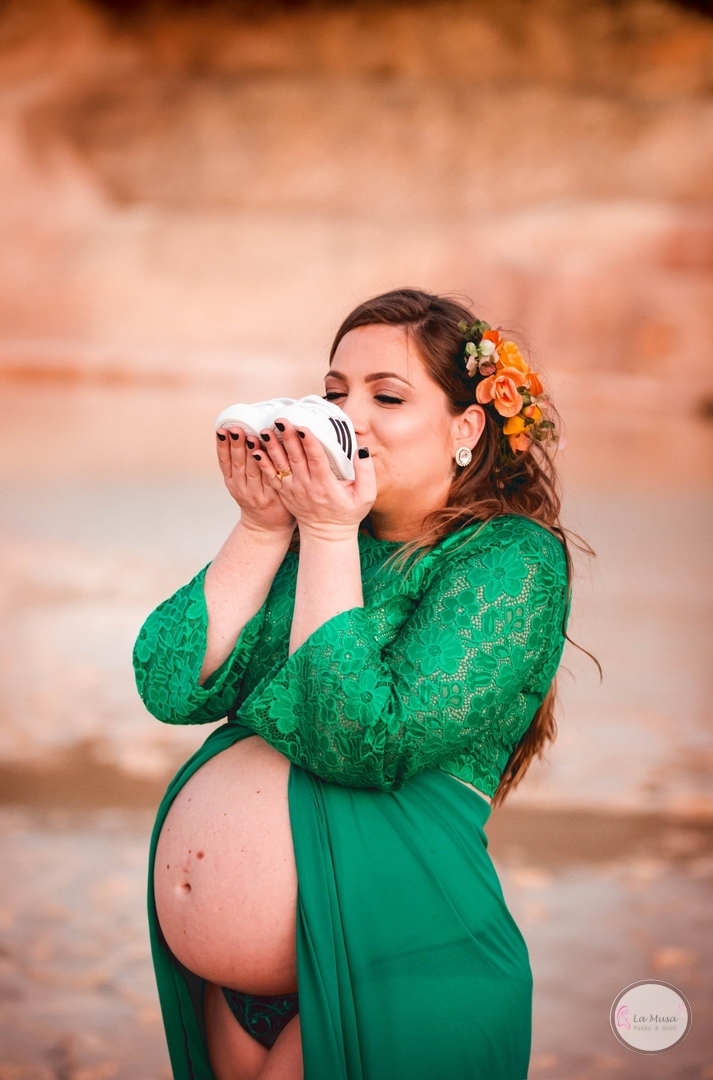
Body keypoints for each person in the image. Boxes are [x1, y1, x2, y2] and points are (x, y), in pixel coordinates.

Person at [133, 288, 572, 1080]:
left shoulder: (510, 559)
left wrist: (329, 531)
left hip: (398, 953)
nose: (348, 418)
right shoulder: (310, 540)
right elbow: (170, 683)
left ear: (466, 428)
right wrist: (262, 526)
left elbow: (360, 741)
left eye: (387, 396)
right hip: (233, 989)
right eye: (334, 394)